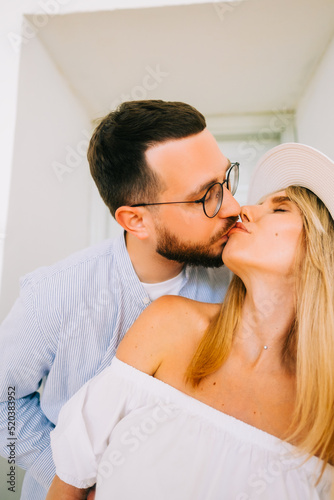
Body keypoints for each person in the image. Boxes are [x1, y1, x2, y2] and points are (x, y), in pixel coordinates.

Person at [47, 143, 334, 500]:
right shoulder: (169, 324)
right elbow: (69, 484)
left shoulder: (327, 408)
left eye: (279, 208)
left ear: (323, 245)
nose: (242, 209)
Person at [0, 100, 240, 500]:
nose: (232, 206)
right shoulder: (52, 294)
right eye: (206, 197)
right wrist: (67, 476)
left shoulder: (236, 283)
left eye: (227, 180)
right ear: (135, 220)